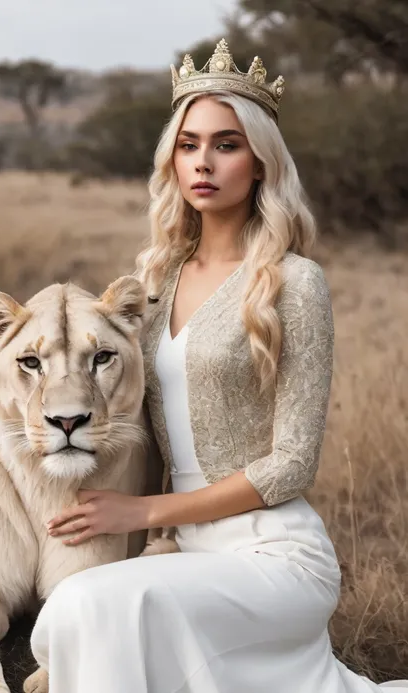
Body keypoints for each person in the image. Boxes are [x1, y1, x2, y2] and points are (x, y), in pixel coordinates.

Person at [30, 39, 408, 692]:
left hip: (275, 554)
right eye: (188, 144)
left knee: (95, 606)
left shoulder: (294, 282)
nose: (203, 161)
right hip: (190, 551)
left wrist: (145, 511)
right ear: (171, 158)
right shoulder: (156, 278)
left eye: (227, 144)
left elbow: (293, 462)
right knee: (69, 611)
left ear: (260, 161)